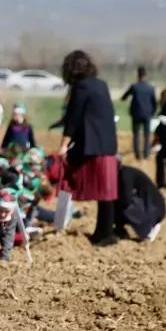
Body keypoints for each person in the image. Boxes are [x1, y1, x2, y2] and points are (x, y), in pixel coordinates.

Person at [57, 50, 120, 246]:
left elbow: (73, 119)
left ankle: (65, 221)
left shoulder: (81, 87)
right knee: (107, 192)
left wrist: (64, 144)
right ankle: (105, 232)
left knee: (68, 178)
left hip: (91, 145)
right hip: (107, 143)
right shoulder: (101, 85)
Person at [115, 163, 165, 242]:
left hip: (153, 209)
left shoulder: (125, 175)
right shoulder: (126, 172)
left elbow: (126, 199)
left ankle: (148, 228)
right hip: (155, 206)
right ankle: (120, 230)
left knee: (120, 202)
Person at [120, 66, 158, 160]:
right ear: (145, 76)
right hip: (147, 114)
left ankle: (137, 154)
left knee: (136, 134)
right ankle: (146, 154)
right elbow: (154, 102)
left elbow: (124, 97)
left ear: (138, 75)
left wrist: (123, 99)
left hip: (136, 114)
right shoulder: (150, 88)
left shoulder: (134, 87)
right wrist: (152, 112)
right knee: (147, 134)